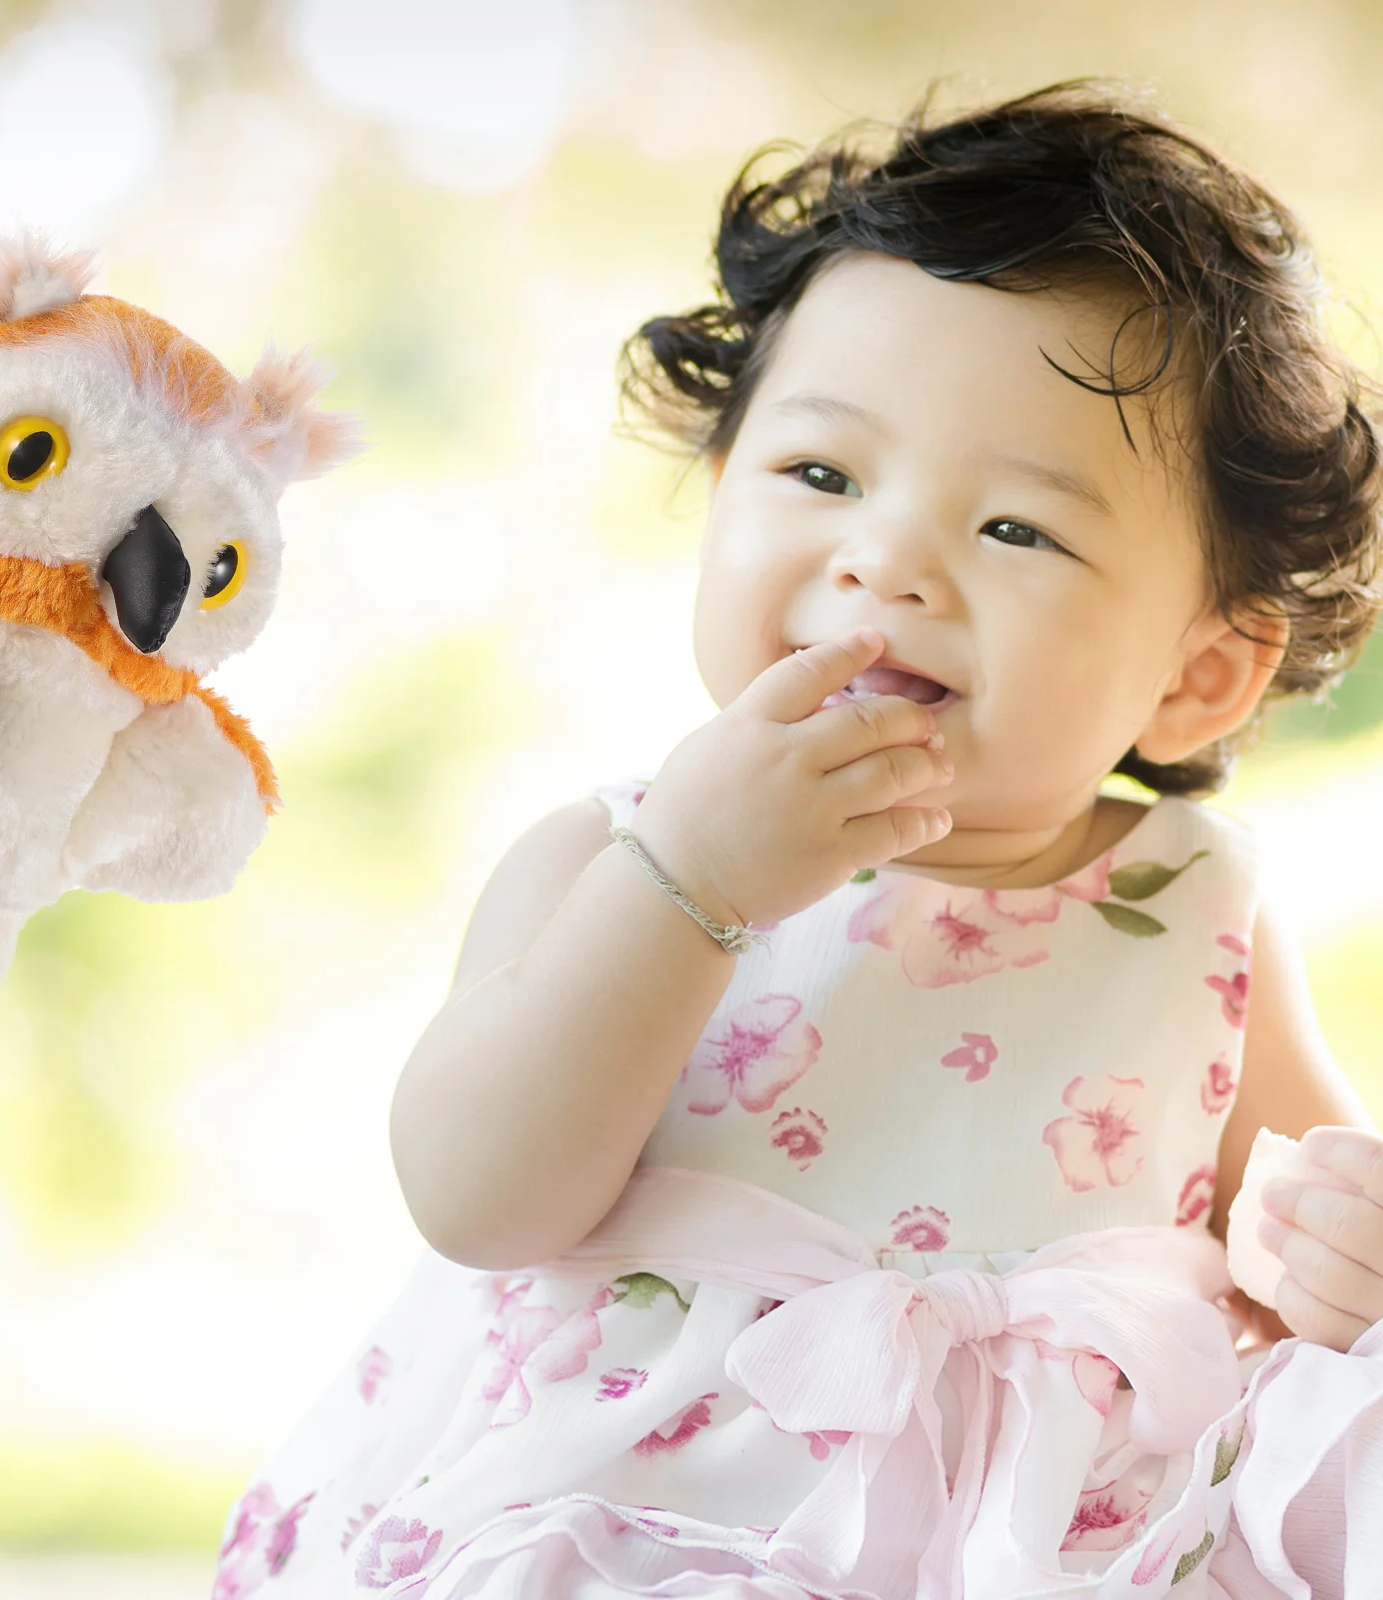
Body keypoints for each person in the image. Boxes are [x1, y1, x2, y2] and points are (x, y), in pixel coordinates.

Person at [215, 83, 1383, 1598]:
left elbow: (1291, 1228)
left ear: (1196, 674)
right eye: (822, 476)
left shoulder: (1192, 906)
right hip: (651, 1530)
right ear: (719, 499)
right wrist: (690, 888)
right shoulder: (616, 860)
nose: (885, 558)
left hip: (1041, 1549)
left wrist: (1331, 1256)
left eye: (1016, 529)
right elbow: (478, 1203)